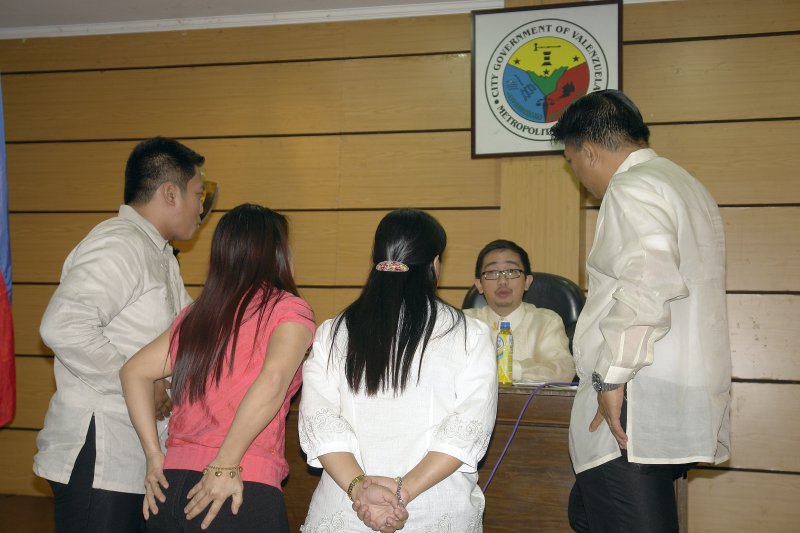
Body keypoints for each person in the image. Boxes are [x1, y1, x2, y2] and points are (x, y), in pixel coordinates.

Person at [550, 90, 731, 532]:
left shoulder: (631, 187)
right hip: (672, 385)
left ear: (588, 151)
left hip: (633, 388)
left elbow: (647, 278)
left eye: (573, 162)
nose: (579, 176)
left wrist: (613, 374)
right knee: (591, 515)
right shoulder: (684, 184)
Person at [34, 136, 208, 532]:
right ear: (169, 193)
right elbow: (63, 325)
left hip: (133, 455)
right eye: (197, 194)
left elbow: (190, 334)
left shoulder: (159, 255)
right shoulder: (119, 244)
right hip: (100, 451)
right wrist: (141, 385)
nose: (201, 208)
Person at [299, 208, 497, 533]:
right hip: (434, 509)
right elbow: (466, 429)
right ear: (434, 264)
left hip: (347, 511)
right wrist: (402, 493)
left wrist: (360, 489)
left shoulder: (333, 331)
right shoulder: (469, 334)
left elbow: (319, 422)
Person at [120, 203, 315, 532]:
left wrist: (155, 457)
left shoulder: (198, 314)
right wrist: (225, 463)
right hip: (237, 484)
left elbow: (134, 371)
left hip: (171, 487)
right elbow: (273, 381)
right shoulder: (288, 310)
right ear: (276, 252)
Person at [464, 239, 576, 383]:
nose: (503, 281)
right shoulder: (465, 323)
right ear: (479, 285)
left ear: (527, 282)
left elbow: (563, 371)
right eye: (492, 273)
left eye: (511, 272)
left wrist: (506, 369)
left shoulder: (547, 322)